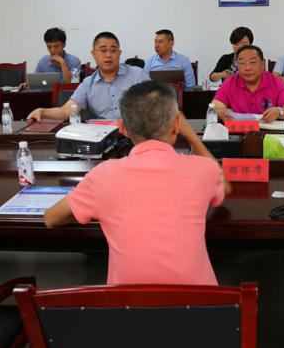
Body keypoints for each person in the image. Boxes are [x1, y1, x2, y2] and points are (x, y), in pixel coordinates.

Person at [44, 80, 227, 285]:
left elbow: (51, 218)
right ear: (176, 125)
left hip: (127, 303)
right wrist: (191, 135)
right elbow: (224, 186)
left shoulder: (102, 175)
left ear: (123, 129)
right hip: (202, 303)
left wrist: (92, 206)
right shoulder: (204, 169)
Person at [27, 31, 148, 121]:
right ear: (94, 54)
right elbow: (65, 111)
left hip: (137, 135)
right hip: (104, 137)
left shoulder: (138, 75)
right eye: (103, 50)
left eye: (113, 50)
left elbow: (154, 106)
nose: (108, 55)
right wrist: (42, 111)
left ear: (119, 53)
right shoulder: (88, 84)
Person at [212, 45, 284, 123]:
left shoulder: (276, 82)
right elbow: (214, 108)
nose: (247, 68)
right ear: (237, 65)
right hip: (239, 132)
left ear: (262, 64)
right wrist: (222, 113)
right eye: (242, 63)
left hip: (267, 132)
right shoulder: (229, 83)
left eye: (253, 62)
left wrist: (279, 112)